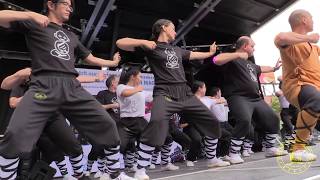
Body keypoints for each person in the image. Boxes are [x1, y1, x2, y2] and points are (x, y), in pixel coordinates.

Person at [0, 0, 136, 179]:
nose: (69, 8)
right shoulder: (34, 23)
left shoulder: (71, 36)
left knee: (107, 124)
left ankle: (114, 173)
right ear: (51, 4)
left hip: (72, 85)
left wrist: (112, 63)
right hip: (44, 84)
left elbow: (91, 58)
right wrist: (30, 14)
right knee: (15, 134)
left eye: (71, 6)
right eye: (65, 3)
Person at [117, 18, 222, 180]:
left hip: (185, 93)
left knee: (212, 121)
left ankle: (212, 159)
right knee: (156, 124)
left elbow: (193, 55)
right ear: (164, 28)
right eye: (173, 28)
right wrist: (143, 42)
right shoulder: (151, 47)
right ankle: (140, 170)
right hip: (164, 93)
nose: (175, 32)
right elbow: (120, 43)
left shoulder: (177, 50)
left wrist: (210, 53)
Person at [214, 36, 288, 164]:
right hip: (238, 97)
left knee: (273, 119)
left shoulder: (250, 64)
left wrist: (274, 68)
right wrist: (236, 55)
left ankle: (271, 148)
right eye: (252, 46)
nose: (254, 49)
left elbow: (261, 68)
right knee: (244, 120)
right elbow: (216, 59)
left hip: (255, 98)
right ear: (244, 46)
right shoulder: (232, 59)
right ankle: (233, 154)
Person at [274, 9, 320, 161]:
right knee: (316, 100)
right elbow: (280, 37)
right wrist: (310, 38)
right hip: (298, 85)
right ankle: (298, 149)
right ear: (304, 20)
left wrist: (310, 41)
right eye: (311, 18)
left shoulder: (313, 47)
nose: (313, 21)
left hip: (316, 87)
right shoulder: (290, 40)